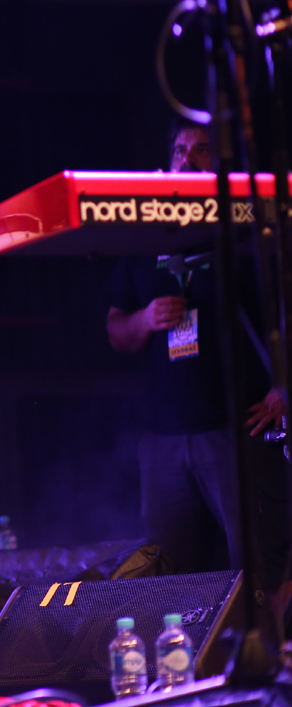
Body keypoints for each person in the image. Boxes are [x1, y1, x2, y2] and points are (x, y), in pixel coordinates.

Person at [107, 119, 286, 578]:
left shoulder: (248, 229)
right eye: (179, 151)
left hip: (236, 430)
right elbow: (115, 330)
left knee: (258, 568)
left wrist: (285, 387)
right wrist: (145, 320)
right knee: (171, 574)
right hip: (163, 439)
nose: (187, 158)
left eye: (201, 149)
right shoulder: (141, 237)